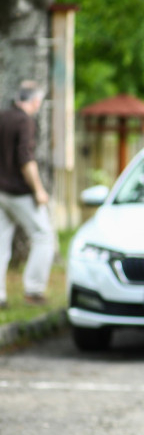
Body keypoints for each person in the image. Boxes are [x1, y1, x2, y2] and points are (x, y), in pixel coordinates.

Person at [0, 80, 53, 308]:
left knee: (1, 243)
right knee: (44, 236)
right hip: (18, 193)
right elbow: (26, 159)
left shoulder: (3, 117)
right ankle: (34, 290)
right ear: (35, 101)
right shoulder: (25, 121)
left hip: (1, 192)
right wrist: (39, 190)